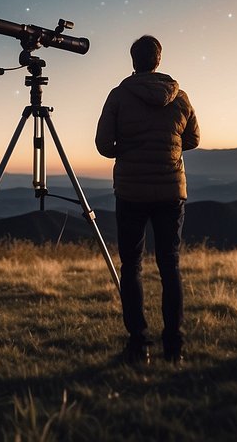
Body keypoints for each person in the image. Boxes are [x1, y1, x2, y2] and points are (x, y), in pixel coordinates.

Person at [96, 35, 200, 364]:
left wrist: (125, 151)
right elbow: (193, 139)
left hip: (131, 192)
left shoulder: (118, 96)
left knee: (132, 266)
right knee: (170, 265)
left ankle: (138, 343)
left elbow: (103, 144)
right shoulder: (180, 97)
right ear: (158, 60)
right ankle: (174, 344)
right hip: (171, 191)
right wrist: (167, 150)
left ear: (133, 60)